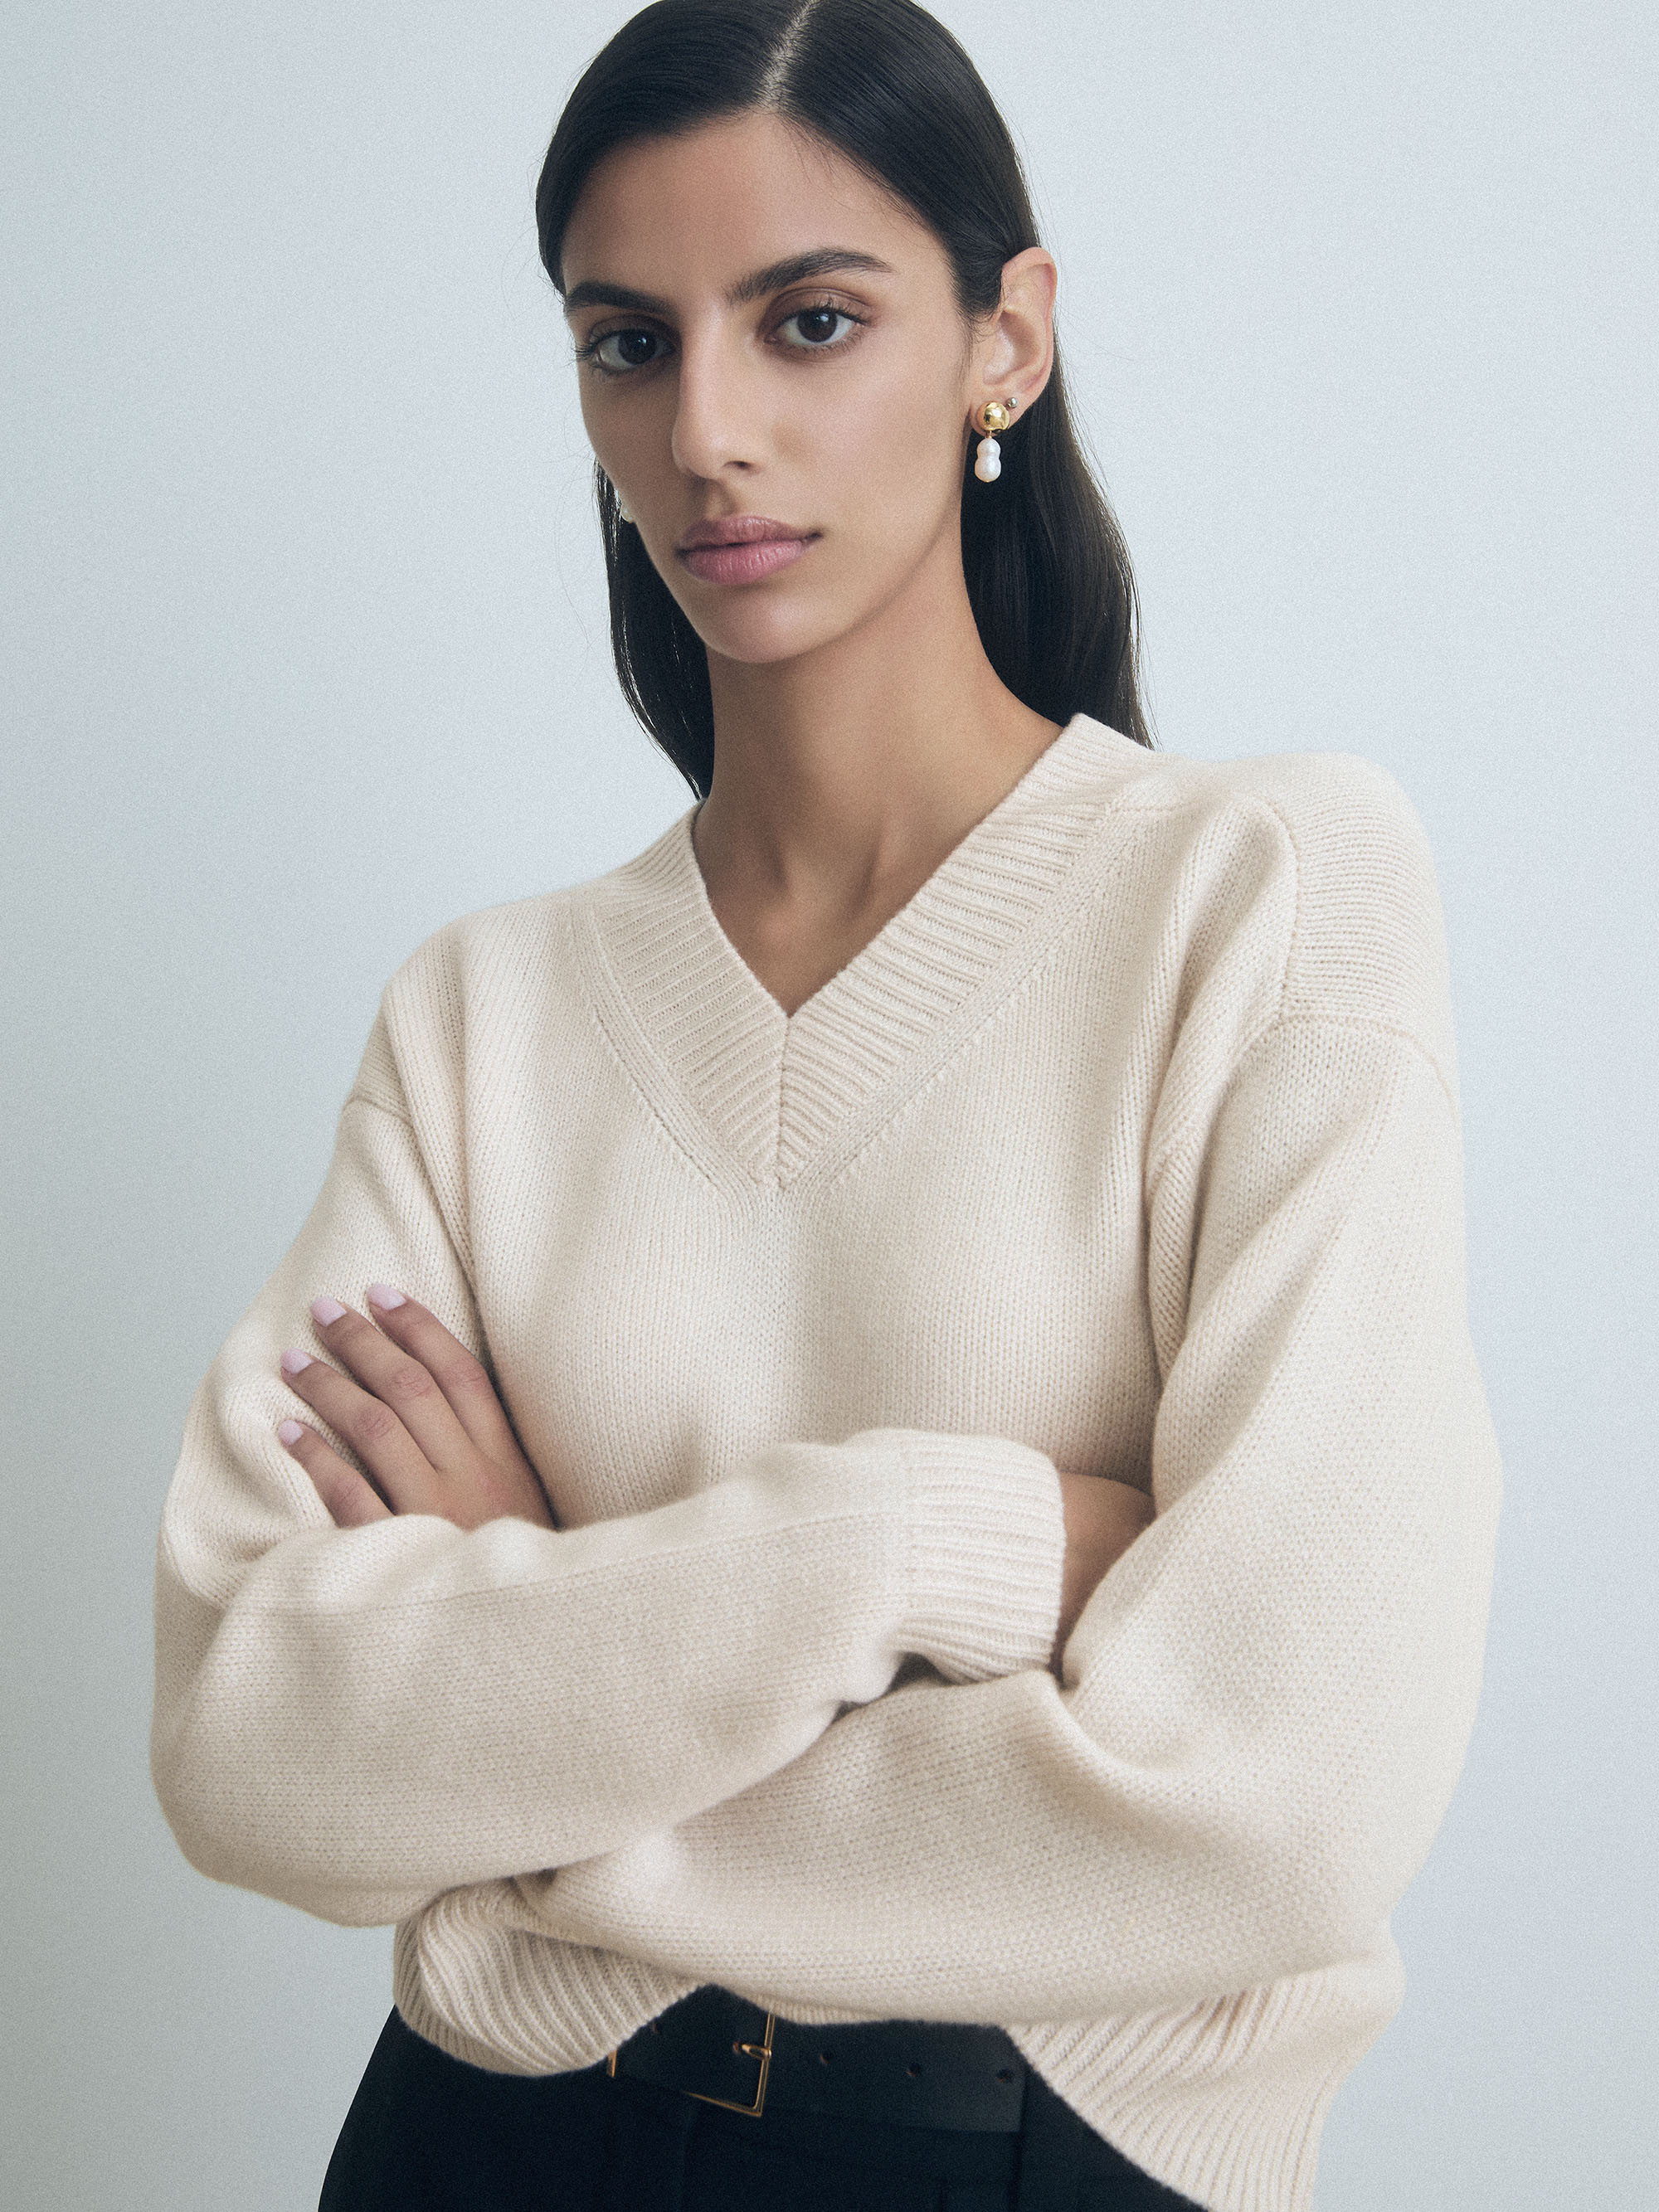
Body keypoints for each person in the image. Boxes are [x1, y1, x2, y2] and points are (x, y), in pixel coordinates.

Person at [148, 2, 1503, 2206]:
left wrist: (537, 1633)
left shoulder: (1260, 894)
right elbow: (248, 1733)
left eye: (809, 322)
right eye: (624, 342)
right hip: (482, 2150)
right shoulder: (488, 1016)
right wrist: (936, 1546)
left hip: (1032, 2156)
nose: (706, 429)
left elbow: (1278, 1789)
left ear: (1008, 338)